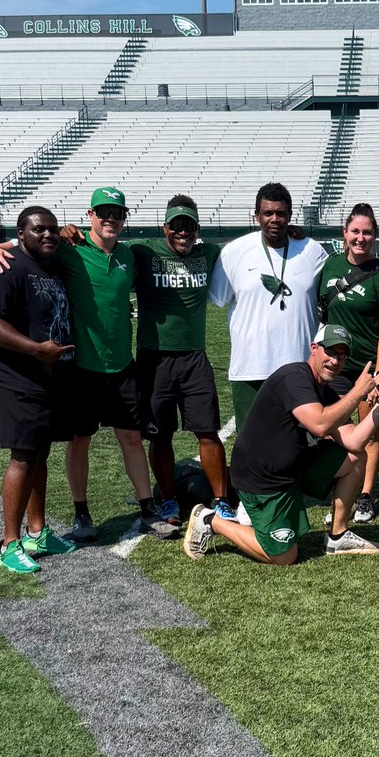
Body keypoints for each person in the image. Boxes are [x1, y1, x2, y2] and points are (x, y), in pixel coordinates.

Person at [0, 187, 177, 541]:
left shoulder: (130, 256)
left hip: (122, 364)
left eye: (117, 213)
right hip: (81, 367)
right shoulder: (69, 249)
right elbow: (30, 245)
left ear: (124, 219)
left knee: (131, 439)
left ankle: (148, 509)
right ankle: (81, 514)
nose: (110, 218)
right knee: (79, 441)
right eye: (103, 212)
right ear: (90, 215)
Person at [182, 325, 379, 564]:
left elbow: (354, 441)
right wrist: (357, 393)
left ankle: (338, 536)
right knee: (284, 556)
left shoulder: (324, 390)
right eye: (330, 352)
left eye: (341, 356)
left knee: (355, 457)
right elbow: (320, 425)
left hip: (294, 468)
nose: (334, 361)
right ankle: (210, 520)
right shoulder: (295, 377)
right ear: (313, 349)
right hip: (264, 479)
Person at [0, 206, 77, 573]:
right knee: (22, 456)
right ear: (21, 234)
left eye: (51, 229)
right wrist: (35, 350)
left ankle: (37, 531)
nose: (47, 235)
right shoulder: (6, 265)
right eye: (38, 230)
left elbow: (65, 236)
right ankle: (8, 542)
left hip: (50, 377)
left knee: (39, 454)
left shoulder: (51, 260)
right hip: (17, 376)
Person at [129, 195, 232, 526]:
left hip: (194, 359)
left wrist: (300, 233)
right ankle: (169, 501)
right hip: (153, 359)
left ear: (197, 229)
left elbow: (254, 245)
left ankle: (222, 501)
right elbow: (102, 245)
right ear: (165, 227)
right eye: (176, 226)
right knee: (160, 435)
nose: (182, 232)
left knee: (208, 431)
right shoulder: (143, 250)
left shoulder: (210, 252)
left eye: (188, 226)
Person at [209, 182, 328, 431]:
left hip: (298, 367)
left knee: (299, 443)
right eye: (267, 213)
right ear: (256, 216)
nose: (274, 219)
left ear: (290, 216)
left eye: (281, 213)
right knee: (251, 443)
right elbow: (218, 297)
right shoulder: (234, 252)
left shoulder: (312, 250)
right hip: (250, 368)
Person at [316, 202, 379, 523]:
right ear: (344, 233)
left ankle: (365, 496)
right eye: (355, 232)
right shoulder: (329, 267)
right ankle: (338, 495)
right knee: (330, 431)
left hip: (368, 367)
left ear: (374, 236)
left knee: (369, 433)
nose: (360, 238)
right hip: (334, 367)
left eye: (366, 232)